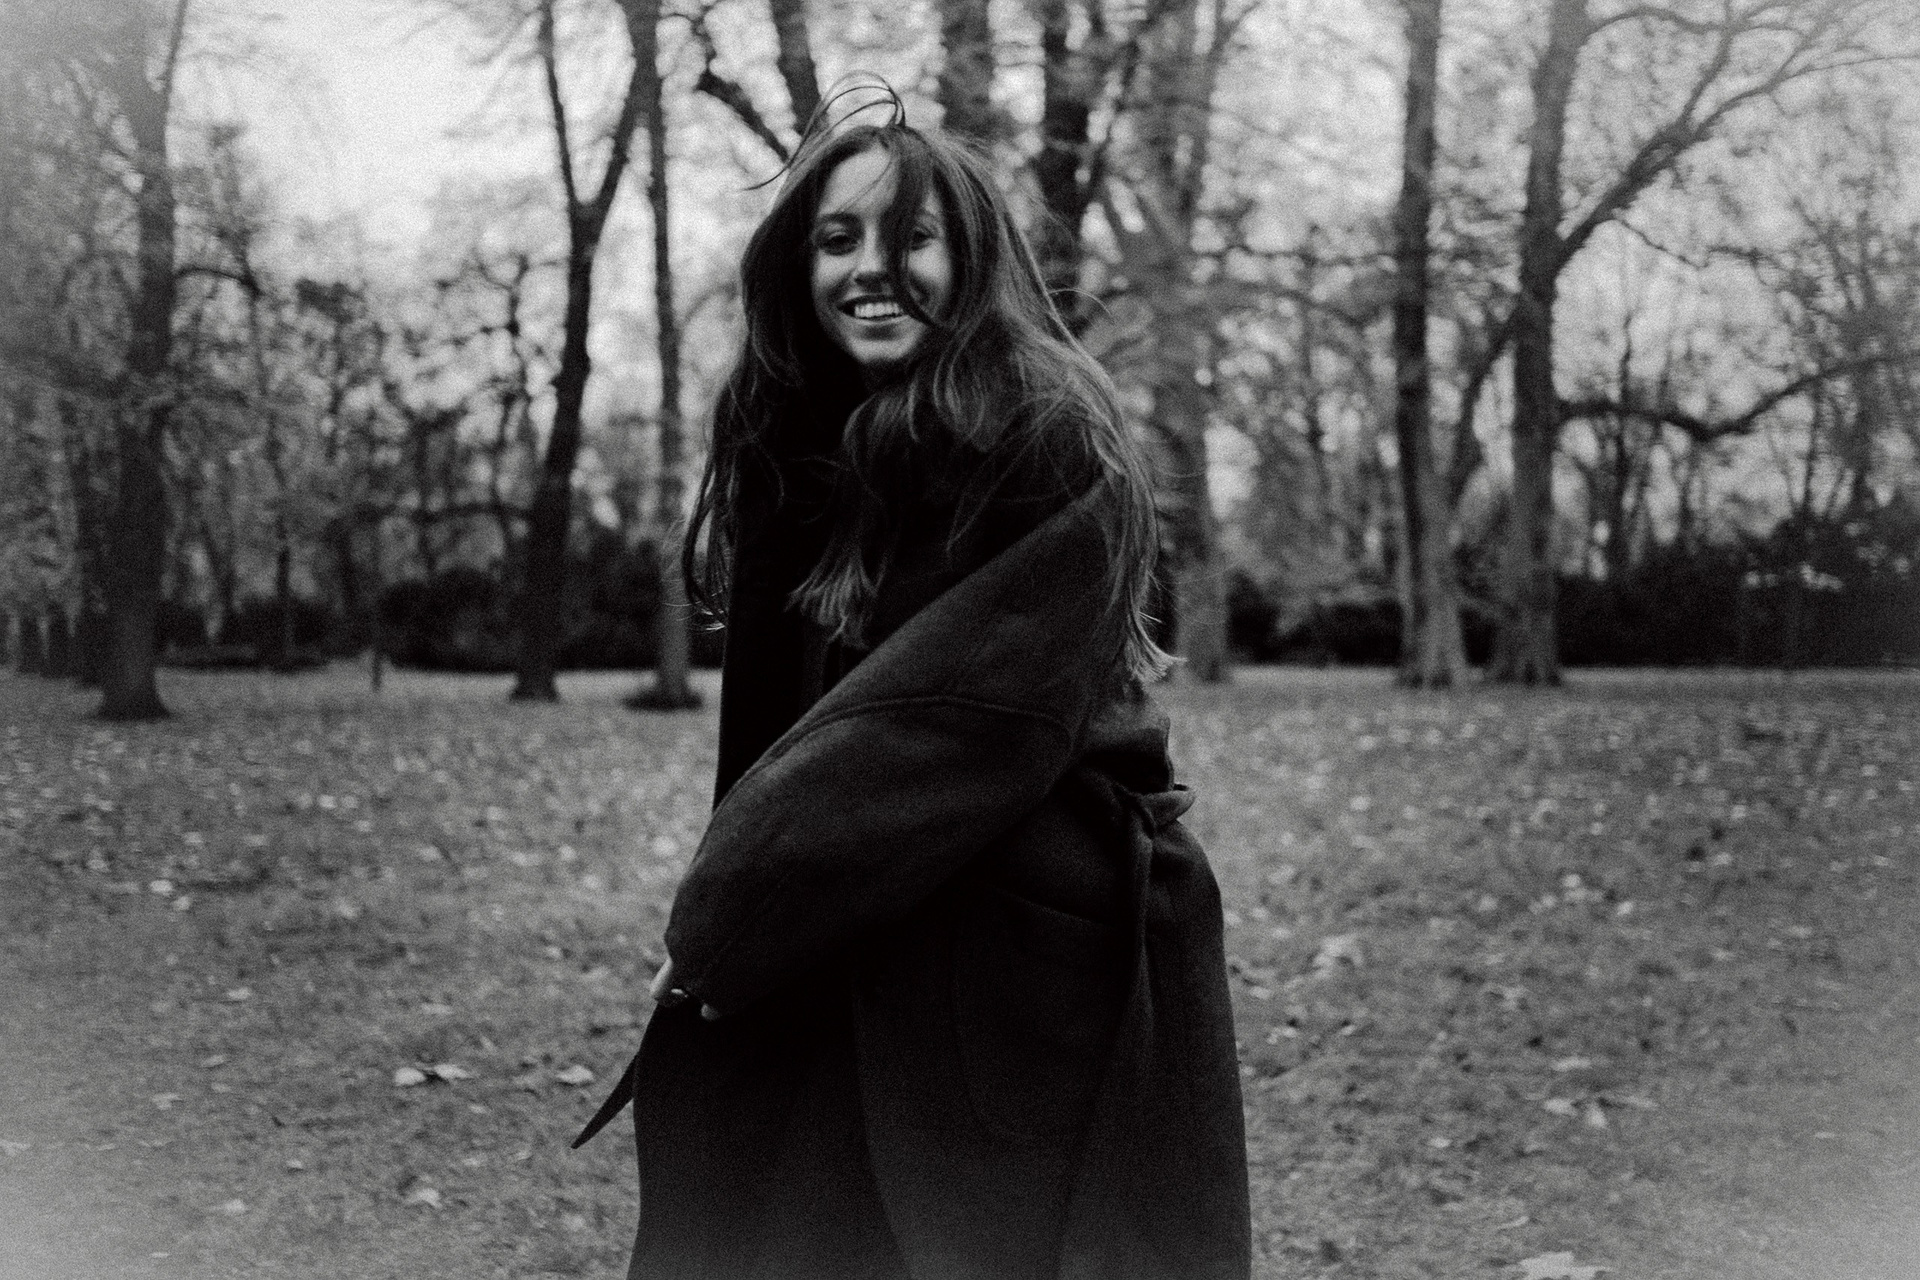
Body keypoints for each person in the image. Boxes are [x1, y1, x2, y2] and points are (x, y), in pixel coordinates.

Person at [573, 87, 1250, 1280]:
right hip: (860, 917)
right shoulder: (800, 448)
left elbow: (949, 722)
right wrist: (754, 922)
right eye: (838, 239)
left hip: (1028, 964)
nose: (871, 270)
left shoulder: (1044, 436)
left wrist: (736, 911)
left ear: (973, 258)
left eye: (912, 237)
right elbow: (778, 741)